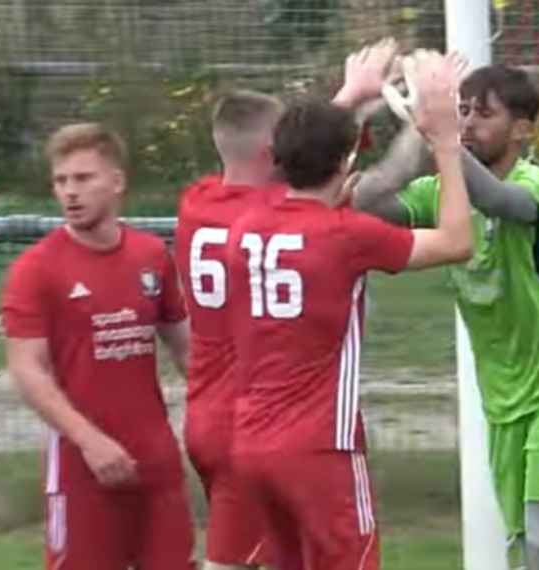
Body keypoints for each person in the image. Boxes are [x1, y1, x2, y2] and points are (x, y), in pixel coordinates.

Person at [354, 64, 539, 570]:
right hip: (505, 399)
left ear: (521, 129)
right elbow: (364, 204)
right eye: (463, 110)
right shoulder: (440, 193)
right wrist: (417, 134)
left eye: (484, 114)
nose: (469, 122)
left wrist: (442, 139)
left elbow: (496, 200)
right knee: (530, 550)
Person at [225, 50, 472, 570]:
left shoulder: (246, 224)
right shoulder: (347, 236)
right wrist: (446, 141)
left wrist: (349, 95)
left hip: (249, 445)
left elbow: (293, 176)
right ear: (346, 164)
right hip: (320, 450)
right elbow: (456, 241)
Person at [174, 40, 400, 570]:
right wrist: (358, 98)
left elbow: (302, 166)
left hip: (206, 412)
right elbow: (315, 179)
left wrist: (351, 100)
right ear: (268, 158)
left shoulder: (197, 203)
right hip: (254, 416)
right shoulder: (269, 215)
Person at [1, 123, 195, 570]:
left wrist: (223, 419)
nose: (70, 192)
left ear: (117, 181)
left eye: (84, 178)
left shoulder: (151, 255)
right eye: (61, 181)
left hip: (156, 459)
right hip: (81, 466)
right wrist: (90, 442)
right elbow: (27, 370)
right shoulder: (37, 269)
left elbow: (187, 351)